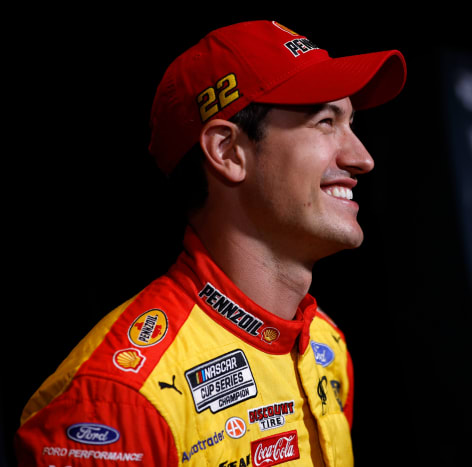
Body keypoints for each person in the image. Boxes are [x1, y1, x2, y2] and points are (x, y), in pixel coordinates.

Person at [15, 20, 406, 466]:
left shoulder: (325, 345)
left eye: (351, 123)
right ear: (227, 152)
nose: (362, 158)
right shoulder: (115, 402)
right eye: (325, 123)